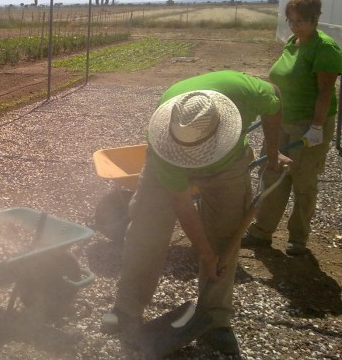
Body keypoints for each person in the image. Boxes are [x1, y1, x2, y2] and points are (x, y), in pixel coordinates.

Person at [103, 70, 290, 356]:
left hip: (227, 167)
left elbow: (275, 101)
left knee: (225, 239)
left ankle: (215, 319)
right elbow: (182, 203)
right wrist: (204, 253)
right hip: (167, 163)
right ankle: (127, 308)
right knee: (146, 231)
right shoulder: (165, 137)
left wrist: (273, 152)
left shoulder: (248, 92)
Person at [242, 0, 342, 256]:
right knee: (271, 172)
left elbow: (325, 91)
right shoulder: (293, 42)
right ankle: (261, 232)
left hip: (308, 125)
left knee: (303, 181)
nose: (295, 25)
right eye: (291, 20)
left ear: (315, 19)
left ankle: (298, 237)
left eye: (301, 20)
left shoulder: (325, 48)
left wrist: (318, 126)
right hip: (281, 120)